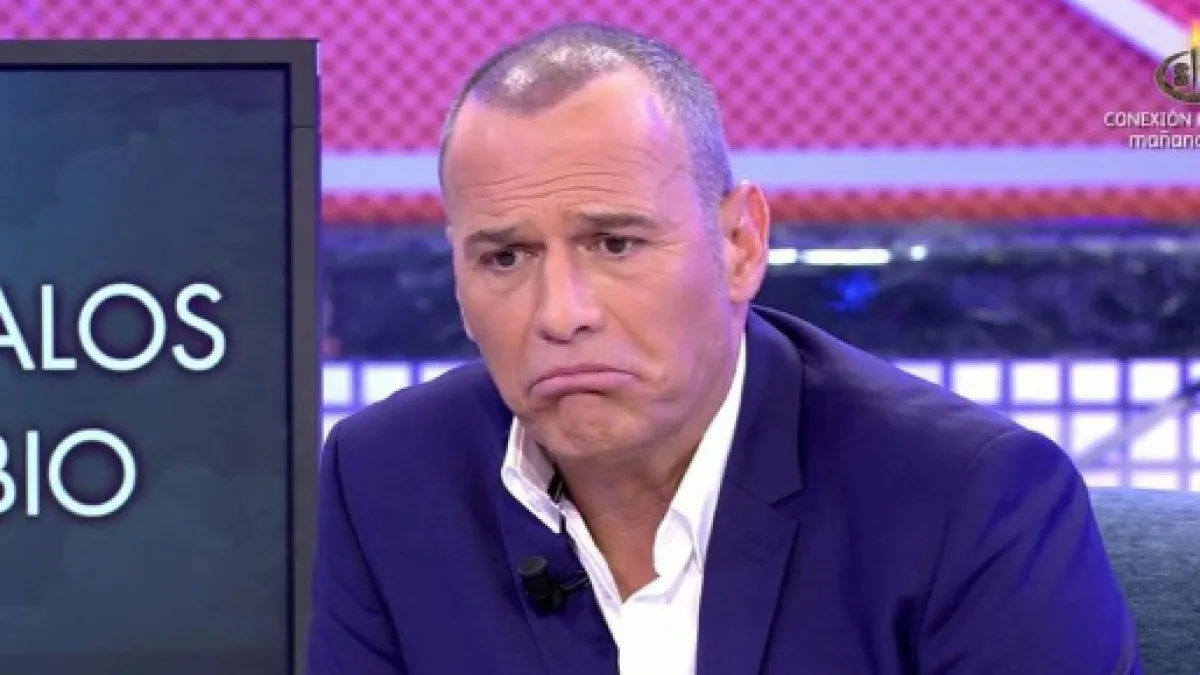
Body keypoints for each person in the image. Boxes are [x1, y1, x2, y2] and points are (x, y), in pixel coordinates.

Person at [307, 22, 1142, 675]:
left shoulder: (965, 496)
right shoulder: (383, 479)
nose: (561, 313)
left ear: (741, 244)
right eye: (505, 257)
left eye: (615, 243)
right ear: (456, 279)